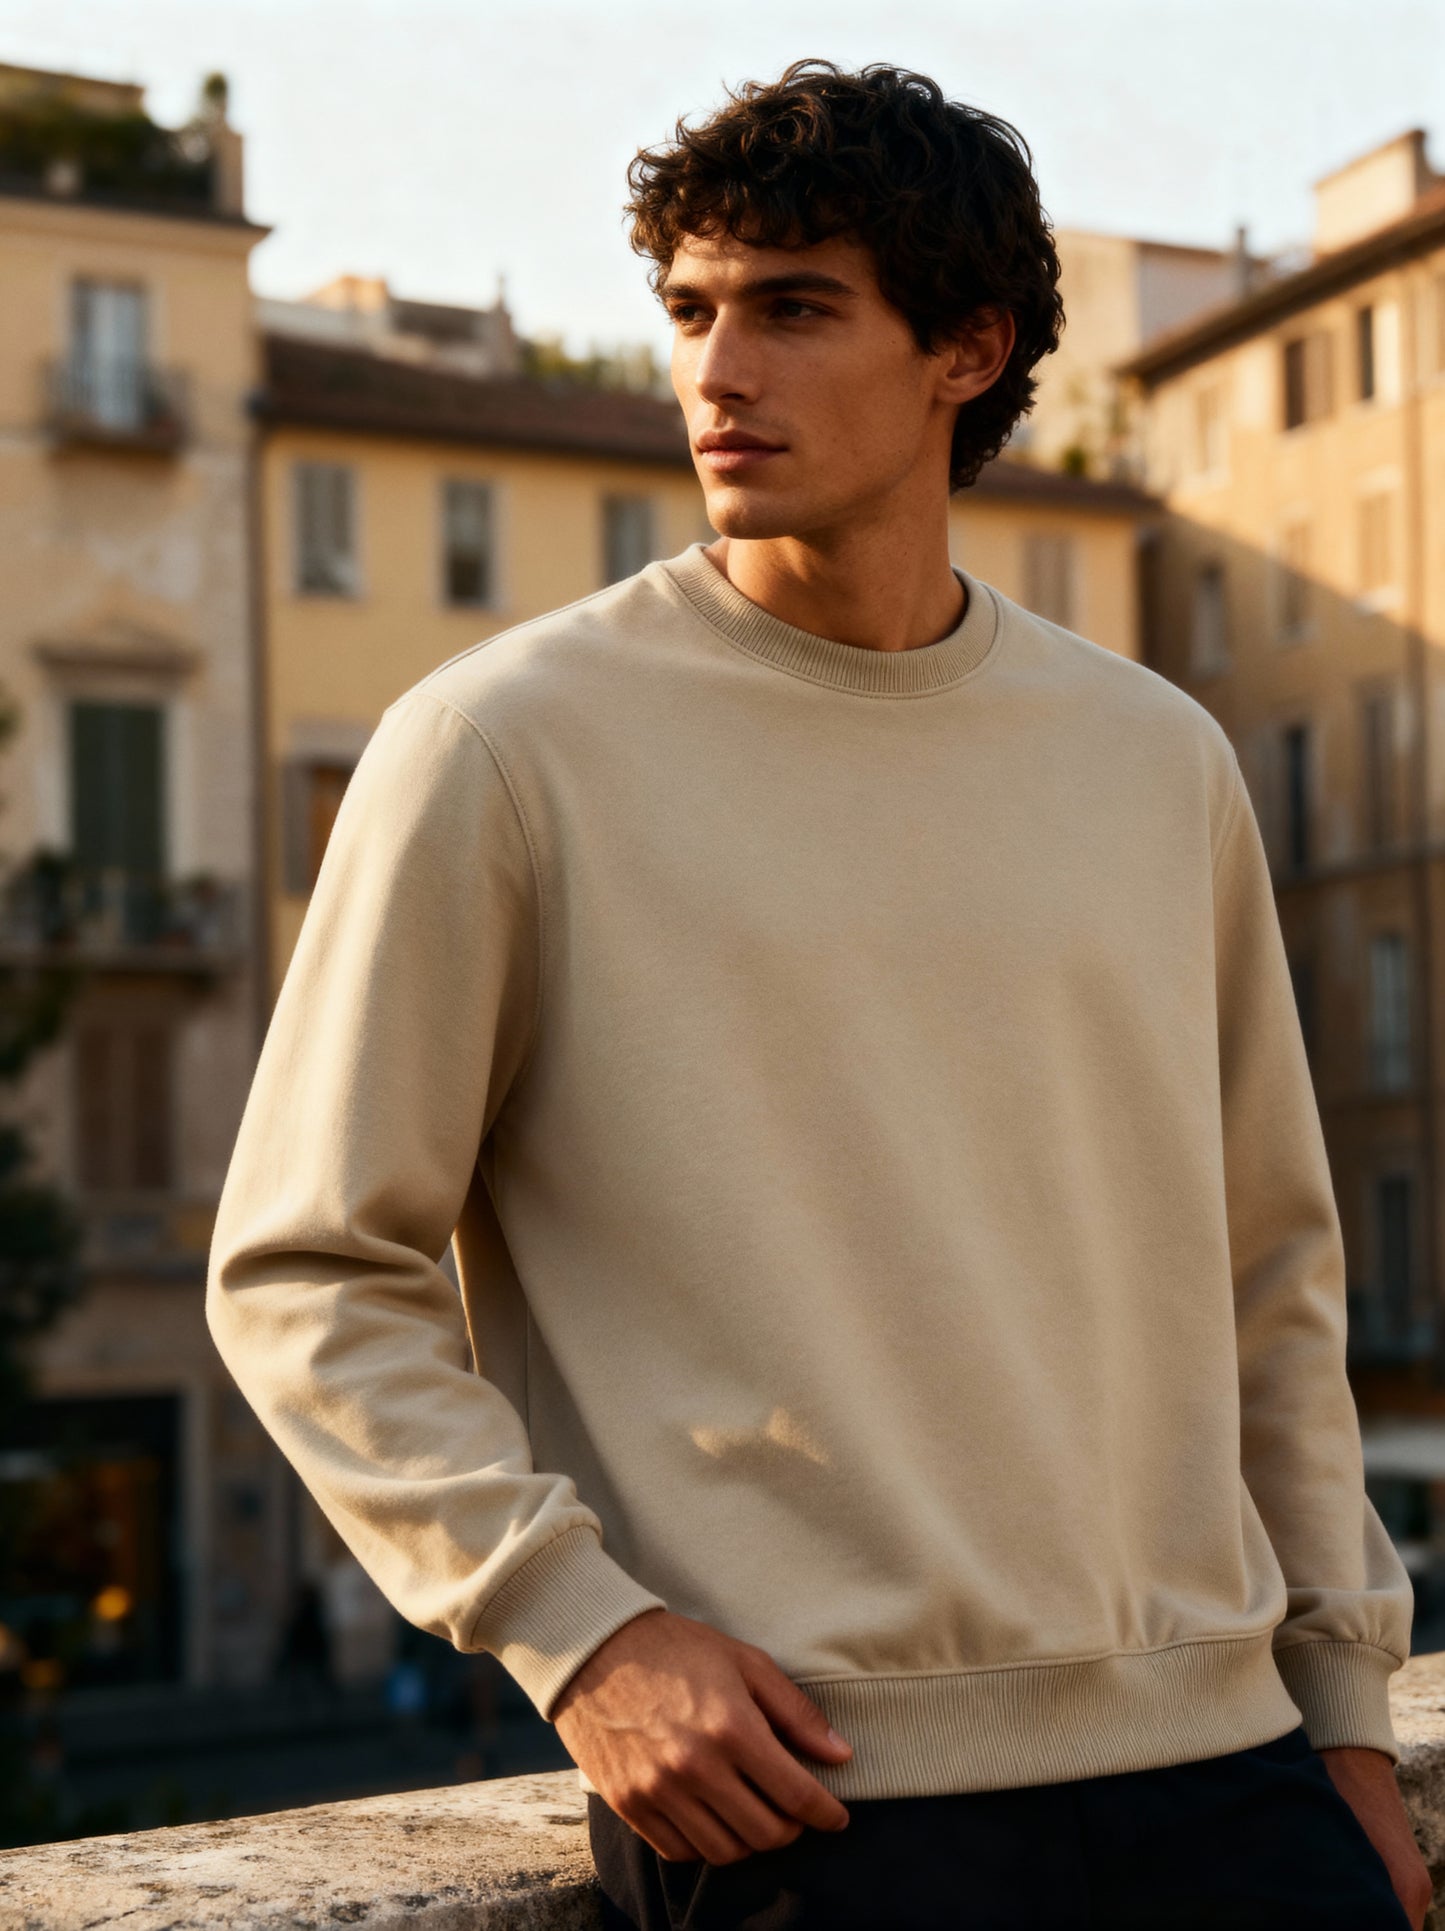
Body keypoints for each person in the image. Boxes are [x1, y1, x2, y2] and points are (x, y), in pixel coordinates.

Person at [206, 58, 1432, 1930]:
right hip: (814, 1819)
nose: (716, 370)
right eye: (689, 311)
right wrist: (580, 1635)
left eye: (791, 308)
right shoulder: (499, 748)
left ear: (965, 347)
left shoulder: (1153, 758)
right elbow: (308, 1271)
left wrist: (1343, 1702)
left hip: (1228, 1782)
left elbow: (1270, 1269)